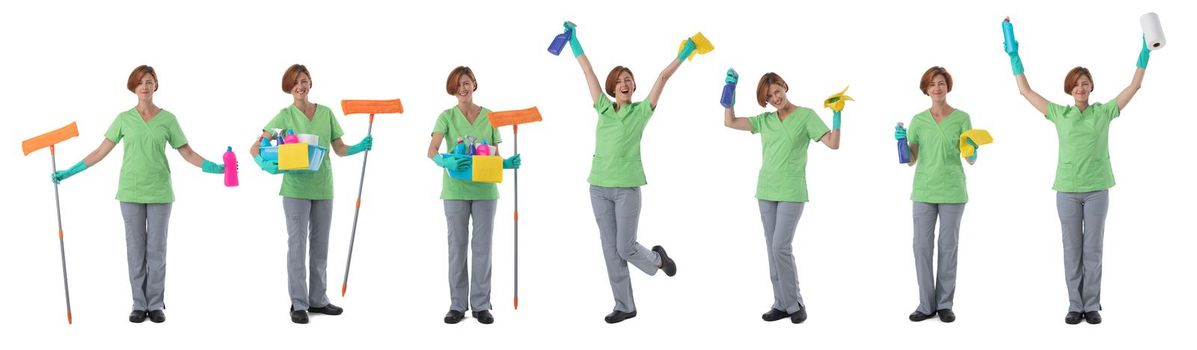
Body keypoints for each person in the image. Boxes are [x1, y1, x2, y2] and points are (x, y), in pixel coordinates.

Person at [52, 65, 230, 323]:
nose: (145, 86)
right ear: (134, 88)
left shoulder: (168, 119)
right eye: (140, 83)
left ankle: (155, 304)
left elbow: (187, 153)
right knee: (136, 251)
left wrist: (215, 167)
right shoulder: (124, 119)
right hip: (130, 192)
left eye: (149, 81)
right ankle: (139, 304)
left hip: (160, 192)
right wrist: (69, 171)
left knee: (157, 250)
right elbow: (100, 152)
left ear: (156, 85)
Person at [1005, 24, 1153, 325]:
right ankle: (1075, 305)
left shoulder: (1104, 112)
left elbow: (1133, 87)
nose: (1081, 89)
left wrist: (1144, 54)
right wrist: (1014, 54)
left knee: (1093, 250)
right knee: (1072, 250)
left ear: (1091, 86)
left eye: (1085, 83)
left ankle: (1092, 305)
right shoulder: (1060, 114)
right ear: (1069, 89)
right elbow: (1025, 91)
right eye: (1076, 85)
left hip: (1098, 189)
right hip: (1067, 192)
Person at [248, 64, 373, 324]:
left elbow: (338, 148)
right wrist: (264, 163)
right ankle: (298, 303)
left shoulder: (326, 113)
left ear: (310, 82)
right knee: (297, 245)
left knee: (320, 245)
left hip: (323, 187)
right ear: (289, 88)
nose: (300, 86)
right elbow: (255, 146)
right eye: (295, 82)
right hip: (295, 189)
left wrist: (359, 146)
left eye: (303, 80)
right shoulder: (284, 116)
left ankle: (318, 299)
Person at [722, 72, 842, 324]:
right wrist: (730, 90)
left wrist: (837, 115)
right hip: (766, 191)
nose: (775, 98)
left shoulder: (806, 116)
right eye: (769, 96)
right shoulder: (765, 120)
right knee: (772, 249)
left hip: (791, 192)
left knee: (781, 247)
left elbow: (832, 143)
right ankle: (780, 303)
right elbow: (730, 122)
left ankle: (795, 302)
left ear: (785, 86)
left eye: (777, 91)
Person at [426, 66, 521, 325]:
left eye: (466, 83)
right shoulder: (445, 117)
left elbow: (495, 156)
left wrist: (507, 164)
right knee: (456, 248)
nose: (463, 88)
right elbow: (432, 150)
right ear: (453, 90)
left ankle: (481, 305)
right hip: (455, 191)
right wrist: (445, 162)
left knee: (482, 248)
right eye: (458, 85)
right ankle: (457, 305)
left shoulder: (490, 116)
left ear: (474, 84)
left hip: (485, 191)